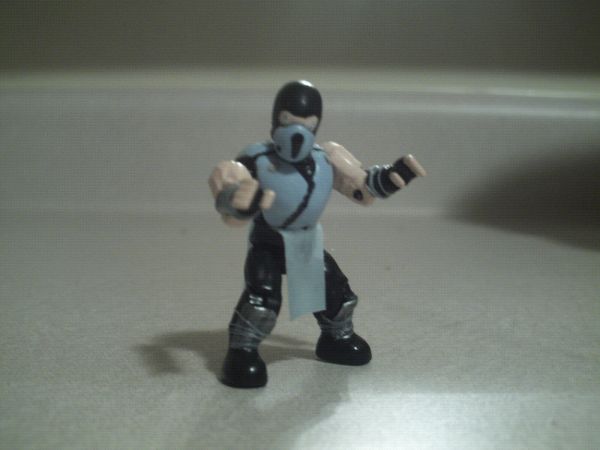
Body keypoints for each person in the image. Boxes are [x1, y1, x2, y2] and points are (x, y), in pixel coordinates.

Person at [209, 80, 426, 388]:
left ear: (317, 125)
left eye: (307, 124)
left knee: (335, 290)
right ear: (275, 120)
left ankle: (337, 338)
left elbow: (362, 188)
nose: (297, 133)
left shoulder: (327, 158)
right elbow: (229, 192)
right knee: (262, 299)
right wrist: (238, 198)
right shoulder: (256, 159)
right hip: (268, 242)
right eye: (287, 121)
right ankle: (242, 352)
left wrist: (391, 178)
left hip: (305, 241)